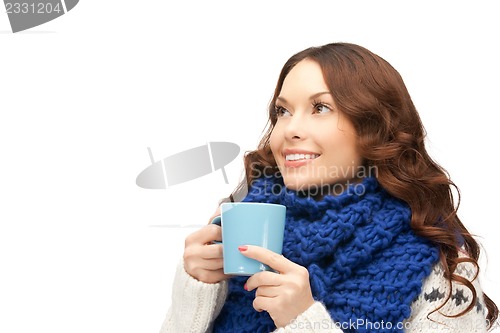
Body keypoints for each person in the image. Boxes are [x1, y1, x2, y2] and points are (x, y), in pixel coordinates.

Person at [159, 42, 498, 332]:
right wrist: (197, 289)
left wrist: (304, 319)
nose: (289, 129)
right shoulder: (246, 226)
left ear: (374, 127)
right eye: (282, 111)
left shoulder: (442, 263)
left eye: (320, 108)